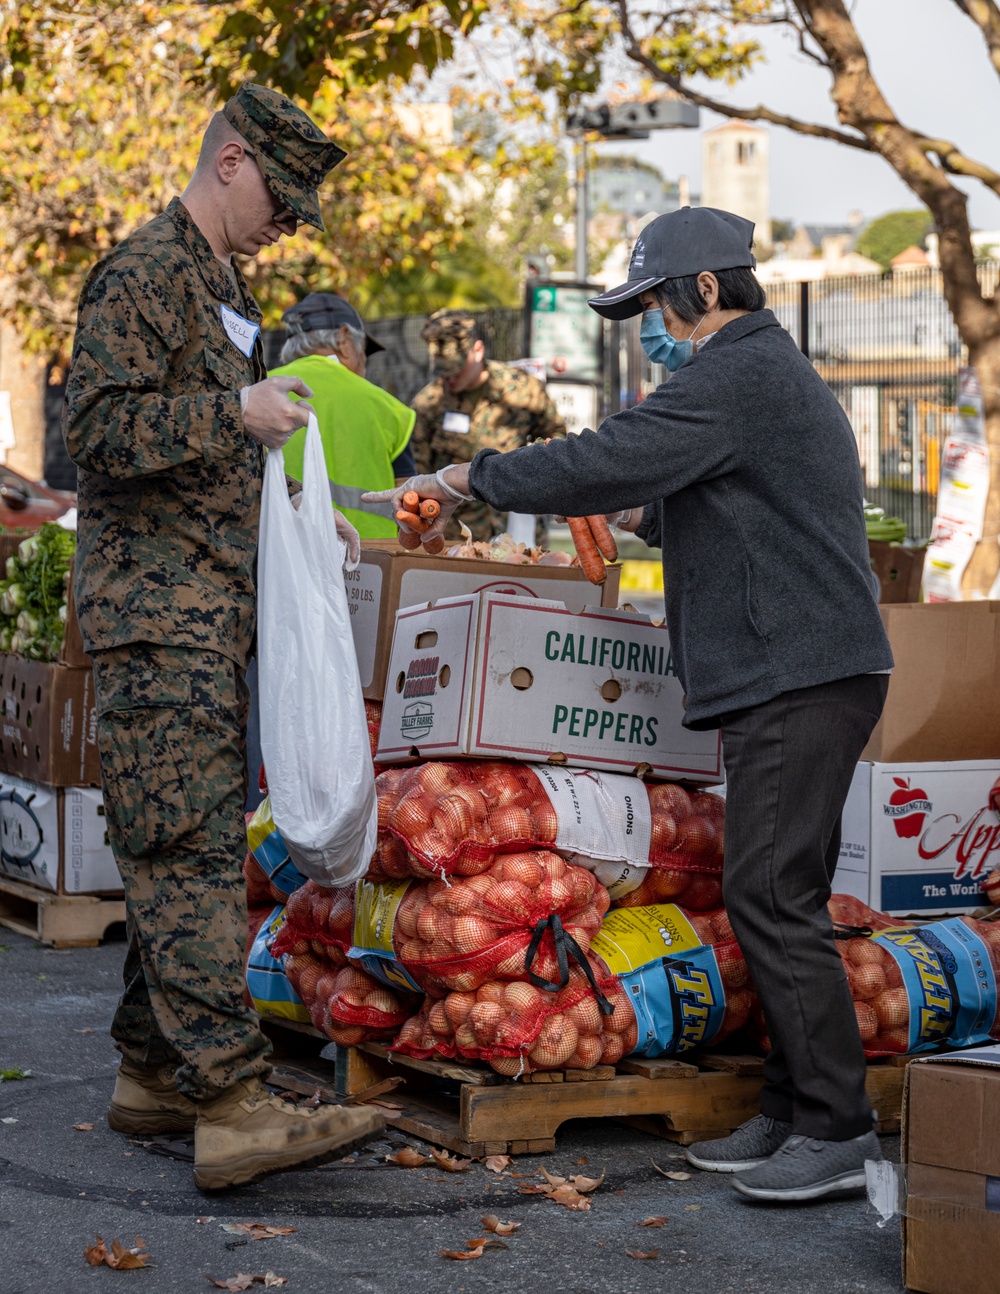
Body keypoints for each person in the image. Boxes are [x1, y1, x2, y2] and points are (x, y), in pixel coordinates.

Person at [366, 206, 894, 1205]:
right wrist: (628, 508)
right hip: (798, 671)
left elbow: (603, 456)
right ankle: (790, 1109)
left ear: (706, 288)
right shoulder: (750, 380)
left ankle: (838, 1129)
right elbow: (686, 493)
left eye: (654, 300)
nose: (648, 320)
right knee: (771, 894)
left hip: (801, 673)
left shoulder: (734, 373)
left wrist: (463, 472)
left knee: (771, 898)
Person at [62, 81, 382, 1192]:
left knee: (185, 840)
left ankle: (155, 1072)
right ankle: (235, 1104)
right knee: (185, 851)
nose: (286, 223)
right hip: (156, 619)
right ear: (232, 159)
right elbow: (93, 432)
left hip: (205, 610)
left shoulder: (219, 280)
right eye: (281, 199)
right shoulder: (147, 270)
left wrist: (294, 499)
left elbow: (209, 451)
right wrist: (231, 417)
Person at [409, 309, 567, 541]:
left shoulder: (521, 389)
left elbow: (555, 436)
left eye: (456, 368)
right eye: (443, 370)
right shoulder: (428, 405)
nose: (449, 378)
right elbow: (418, 476)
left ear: (478, 350)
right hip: (458, 536)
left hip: (518, 529)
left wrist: (530, 463)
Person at [270, 292, 416, 538]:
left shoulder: (257, 390)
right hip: (368, 561)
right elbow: (409, 501)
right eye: (365, 352)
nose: (364, 363)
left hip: (275, 552)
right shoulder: (388, 407)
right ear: (345, 339)